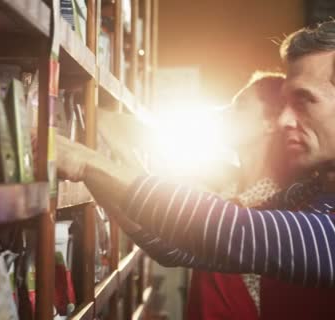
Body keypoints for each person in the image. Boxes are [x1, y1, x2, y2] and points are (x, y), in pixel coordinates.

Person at [56, 18, 335, 288]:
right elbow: (178, 246)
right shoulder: (308, 194)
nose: (284, 120)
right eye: (286, 103)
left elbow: (236, 231)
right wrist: (90, 170)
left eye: (305, 100)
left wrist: (87, 164)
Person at [186, 72, 288, 320]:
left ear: (271, 122)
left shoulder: (280, 208)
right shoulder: (228, 190)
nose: (224, 114)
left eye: (239, 106)